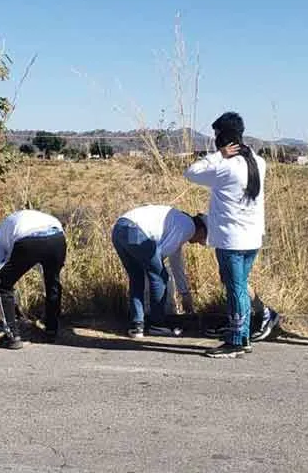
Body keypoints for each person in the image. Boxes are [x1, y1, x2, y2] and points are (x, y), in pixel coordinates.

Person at [185, 112, 267, 358]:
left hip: (232, 239)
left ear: (223, 138)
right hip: (252, 236)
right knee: (239, 285)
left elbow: (191, 172)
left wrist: (218, 155)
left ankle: (237, 340)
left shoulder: (224, 166)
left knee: (235, 288)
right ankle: (243, 334)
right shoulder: (259, 162)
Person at [111, 205, 206, 338]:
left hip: (119, 229)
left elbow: (176, 263)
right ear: (201, 229)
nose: (199, 242)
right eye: (203, 238)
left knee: (137, 277)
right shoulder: (189, 227)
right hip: (135, 231)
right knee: (160, 277)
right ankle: (157, 325)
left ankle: (137, 326)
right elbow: (161, 254)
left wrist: (184, 293)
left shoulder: (180, 223)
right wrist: (155, 270)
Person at [0, 209, 67, 349]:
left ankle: (12, 336)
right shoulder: (13, 223)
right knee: (52, 281)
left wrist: (13, 304)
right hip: (57, 237)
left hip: (29, 240)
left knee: (3, 284)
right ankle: (51, 330)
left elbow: (1, 273)